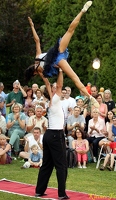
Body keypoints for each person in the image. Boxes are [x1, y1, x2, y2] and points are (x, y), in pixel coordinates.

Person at [25, 1, 99, 110]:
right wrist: (32, 26)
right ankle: (82, 11)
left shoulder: (40, 71)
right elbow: (37, 40)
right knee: (70, 30)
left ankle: (90, 97)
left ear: (34, 73)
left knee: (74, 78)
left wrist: (51, 99)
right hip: (58, 53)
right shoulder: (38, 57)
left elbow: (49, 86)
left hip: (58, 59)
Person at [35, 68, 69, 198]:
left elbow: (48, 83)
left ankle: (39, 191)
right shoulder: (54, 100)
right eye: (55, 88)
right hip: (55, 135)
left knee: (47, 165)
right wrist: (60, 70)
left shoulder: (51, 101)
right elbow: (59, 84)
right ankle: (61, 194)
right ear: (53, 91)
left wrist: (41, 73)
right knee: (61, 166)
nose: (57, 88)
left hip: (49, 135)